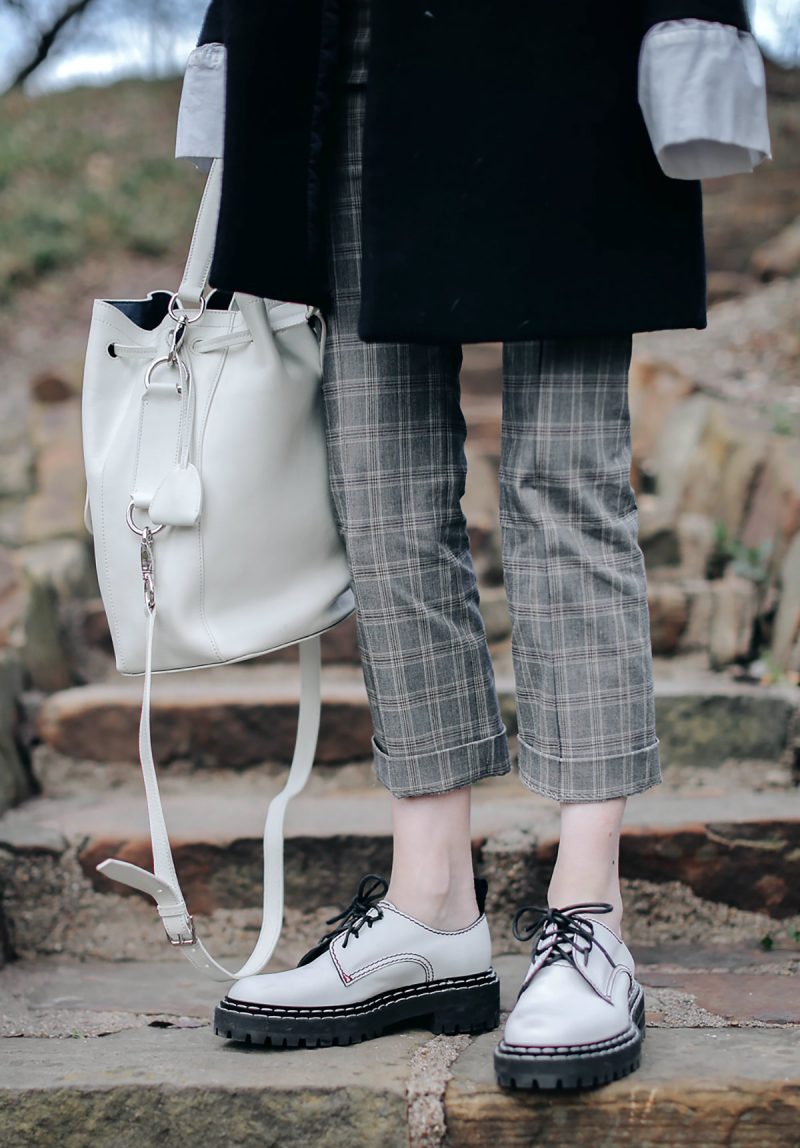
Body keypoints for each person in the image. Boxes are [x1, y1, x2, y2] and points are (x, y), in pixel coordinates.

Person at [177, 0, 770, 1089]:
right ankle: (430, 905)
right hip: (340, 46)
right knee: (379, 488)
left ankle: (588, 913)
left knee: (564, 478)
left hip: (560, 42)